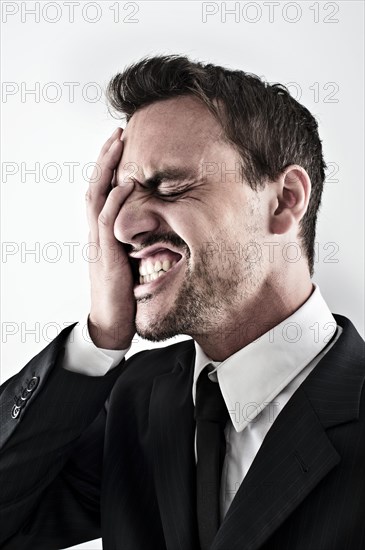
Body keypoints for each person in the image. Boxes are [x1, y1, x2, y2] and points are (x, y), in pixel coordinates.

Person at [0, 55, 364, 550]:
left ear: (283, 202)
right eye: (117, 198)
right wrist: (99, 338)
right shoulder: (134, 399)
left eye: (168, 185)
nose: (122, 228)